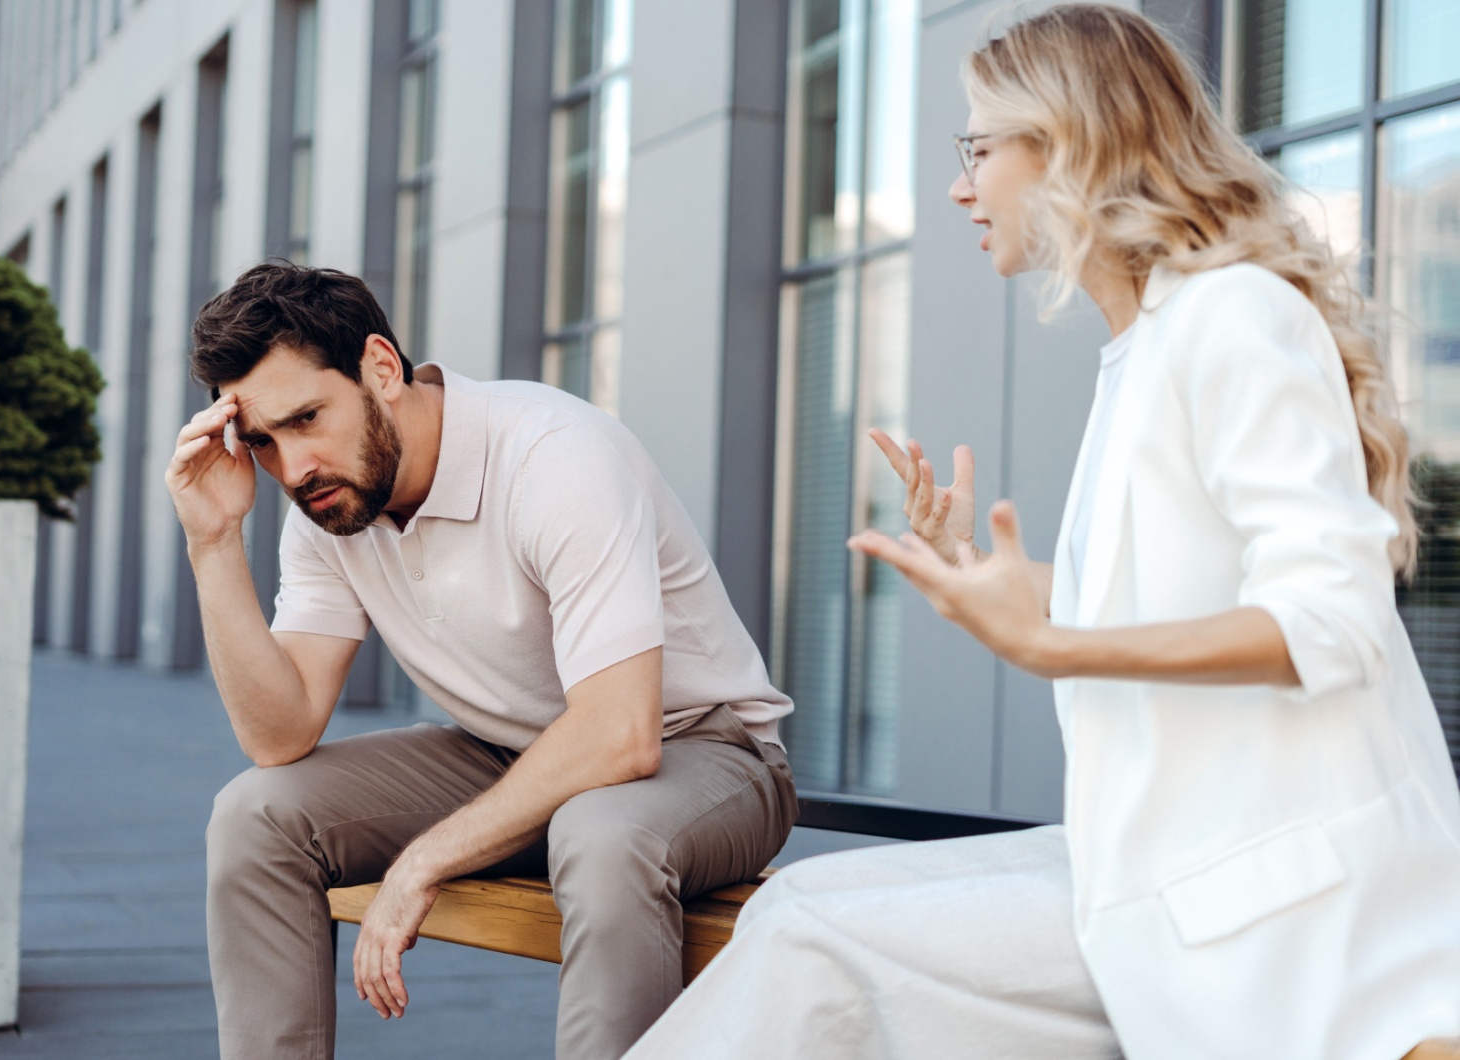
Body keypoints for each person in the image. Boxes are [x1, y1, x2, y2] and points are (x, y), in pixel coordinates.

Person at [622, 6, 1460, 1059]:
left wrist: (1050, 641)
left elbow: (1330, 624)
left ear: (1068, 144)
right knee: (805, 904)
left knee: (809, 936)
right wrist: (994, 589)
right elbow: (1173, 621)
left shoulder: (1230, 316)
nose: (958, 186)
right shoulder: (1145, 345)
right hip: (1159, 864)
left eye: (976, 148)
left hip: (1273, 904)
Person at [164, 262, 797, 1060]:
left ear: (381, 369)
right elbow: (278, 735)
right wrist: (213, 541)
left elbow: (618, 736)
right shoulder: (329, 503)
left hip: (702, 752)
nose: (291, 468)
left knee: (601, 835)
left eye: (306, 419)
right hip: (512, 755)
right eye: (261, 441)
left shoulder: (553, 454)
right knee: (255, 815)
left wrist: (420, 862)